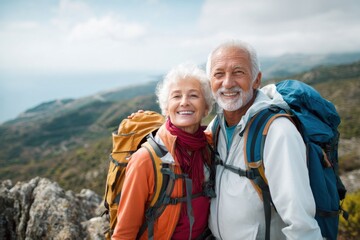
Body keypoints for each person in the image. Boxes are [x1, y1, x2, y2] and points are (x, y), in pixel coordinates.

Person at [205, 40, 323, 239]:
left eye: (238, 72)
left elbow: (301, 223)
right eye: (219, 74)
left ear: (256, 80)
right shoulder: (216, 126)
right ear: (210, 83)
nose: (227, 83)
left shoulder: (277, 131)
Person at [111, 64, 215, 239]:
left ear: (206, 107)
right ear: (166, 108)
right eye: (176, 96)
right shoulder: (146, 160)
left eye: (194, 95)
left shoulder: (210, 146)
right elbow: (124, 233)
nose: (184, 102)